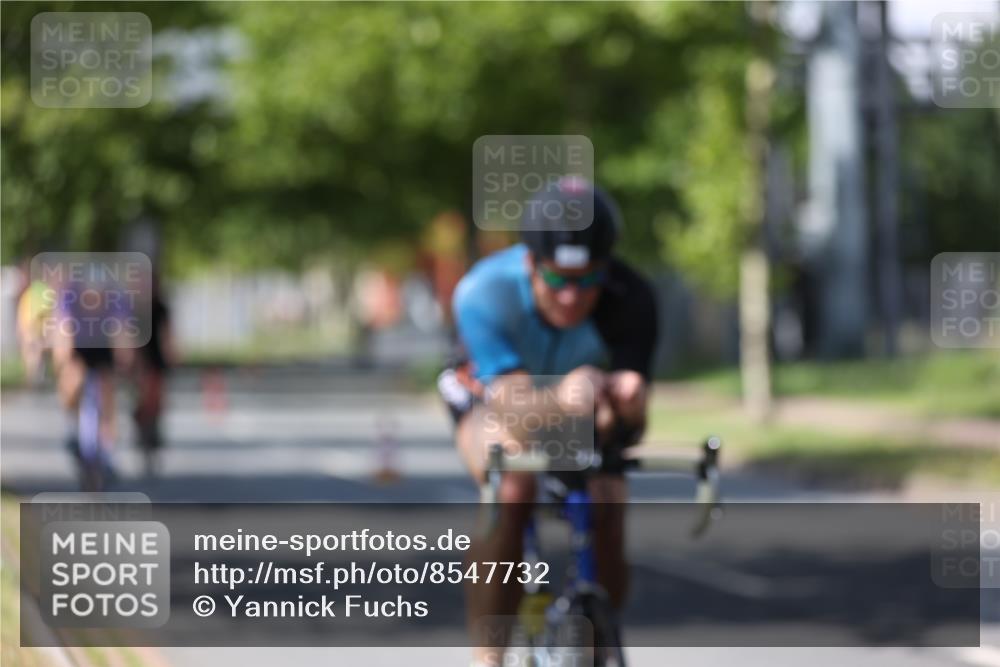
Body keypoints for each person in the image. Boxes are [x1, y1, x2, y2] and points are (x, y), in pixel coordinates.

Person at [438, 178, 658, 666]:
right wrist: (566, 394)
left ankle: (601, 641)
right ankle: (487, 658)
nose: (572, 298)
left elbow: (632, 425)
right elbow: (514, 415)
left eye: (588, 281)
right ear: (530, 263)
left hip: (579, 403)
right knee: (512, 486)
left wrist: (627, 404)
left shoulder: (632, 296)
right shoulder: (484, 292)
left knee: (607, 497)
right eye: (557, 280)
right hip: (491, 395)